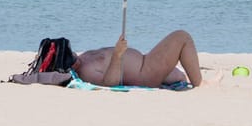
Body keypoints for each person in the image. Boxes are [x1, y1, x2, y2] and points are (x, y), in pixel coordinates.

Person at [72, 30, 204, 88]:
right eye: (69, 59)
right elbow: (109, 84)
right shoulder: (85, 71)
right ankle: (201, 86)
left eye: (70, 52)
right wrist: (117, 55)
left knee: (179, 76)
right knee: (182, 37)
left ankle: (198, 80)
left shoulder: (84, 57)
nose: (73, 57)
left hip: (145, 62)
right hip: (145, 74)